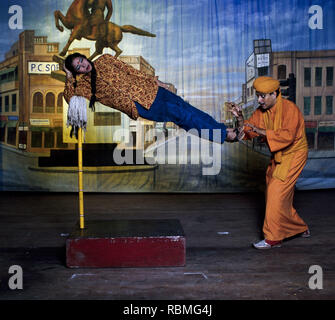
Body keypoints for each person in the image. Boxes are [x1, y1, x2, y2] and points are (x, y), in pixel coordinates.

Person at [63, 52, 237, 143]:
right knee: (182, 116)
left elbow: (132, 71)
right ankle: (222, 134)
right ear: (76, 71)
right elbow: (68, 96)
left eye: (81, 61)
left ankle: (222, 130)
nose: (82, 65)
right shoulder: (84, 86)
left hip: (152, 89)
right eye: (77, 67)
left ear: (85, 58)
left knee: (188, 109)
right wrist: (68, 76)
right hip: (140, 105)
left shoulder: (106, 59)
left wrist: (157, 82)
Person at [229, 76, 310, 249]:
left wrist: (259, 130)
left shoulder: (290, 109)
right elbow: (248, 130)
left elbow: (287, 137)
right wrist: (241, 118)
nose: (259, 100)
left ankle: (273, 238)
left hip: (294, 154)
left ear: (275, 94)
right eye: (258, 95)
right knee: (278, 197)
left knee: (275, 192)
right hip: (278, 154)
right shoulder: (261, 112)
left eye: (263, 96)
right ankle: (299, 227)